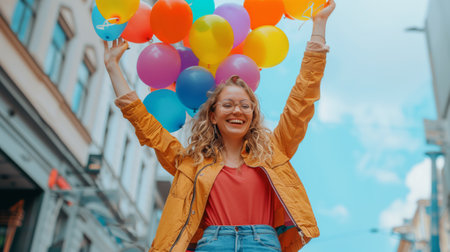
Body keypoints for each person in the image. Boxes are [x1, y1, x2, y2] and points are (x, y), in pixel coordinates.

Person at [103, 1, 335, 251]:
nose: (237, 110)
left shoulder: (273, 151)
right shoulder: (190, 163)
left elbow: (302, 100)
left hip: (263, 244)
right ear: (212, 115)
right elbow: (145, 123)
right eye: (228, 105)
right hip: (212, 244)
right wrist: (112, 67)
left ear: (253, 115)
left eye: (245, 106)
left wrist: (319, 25)